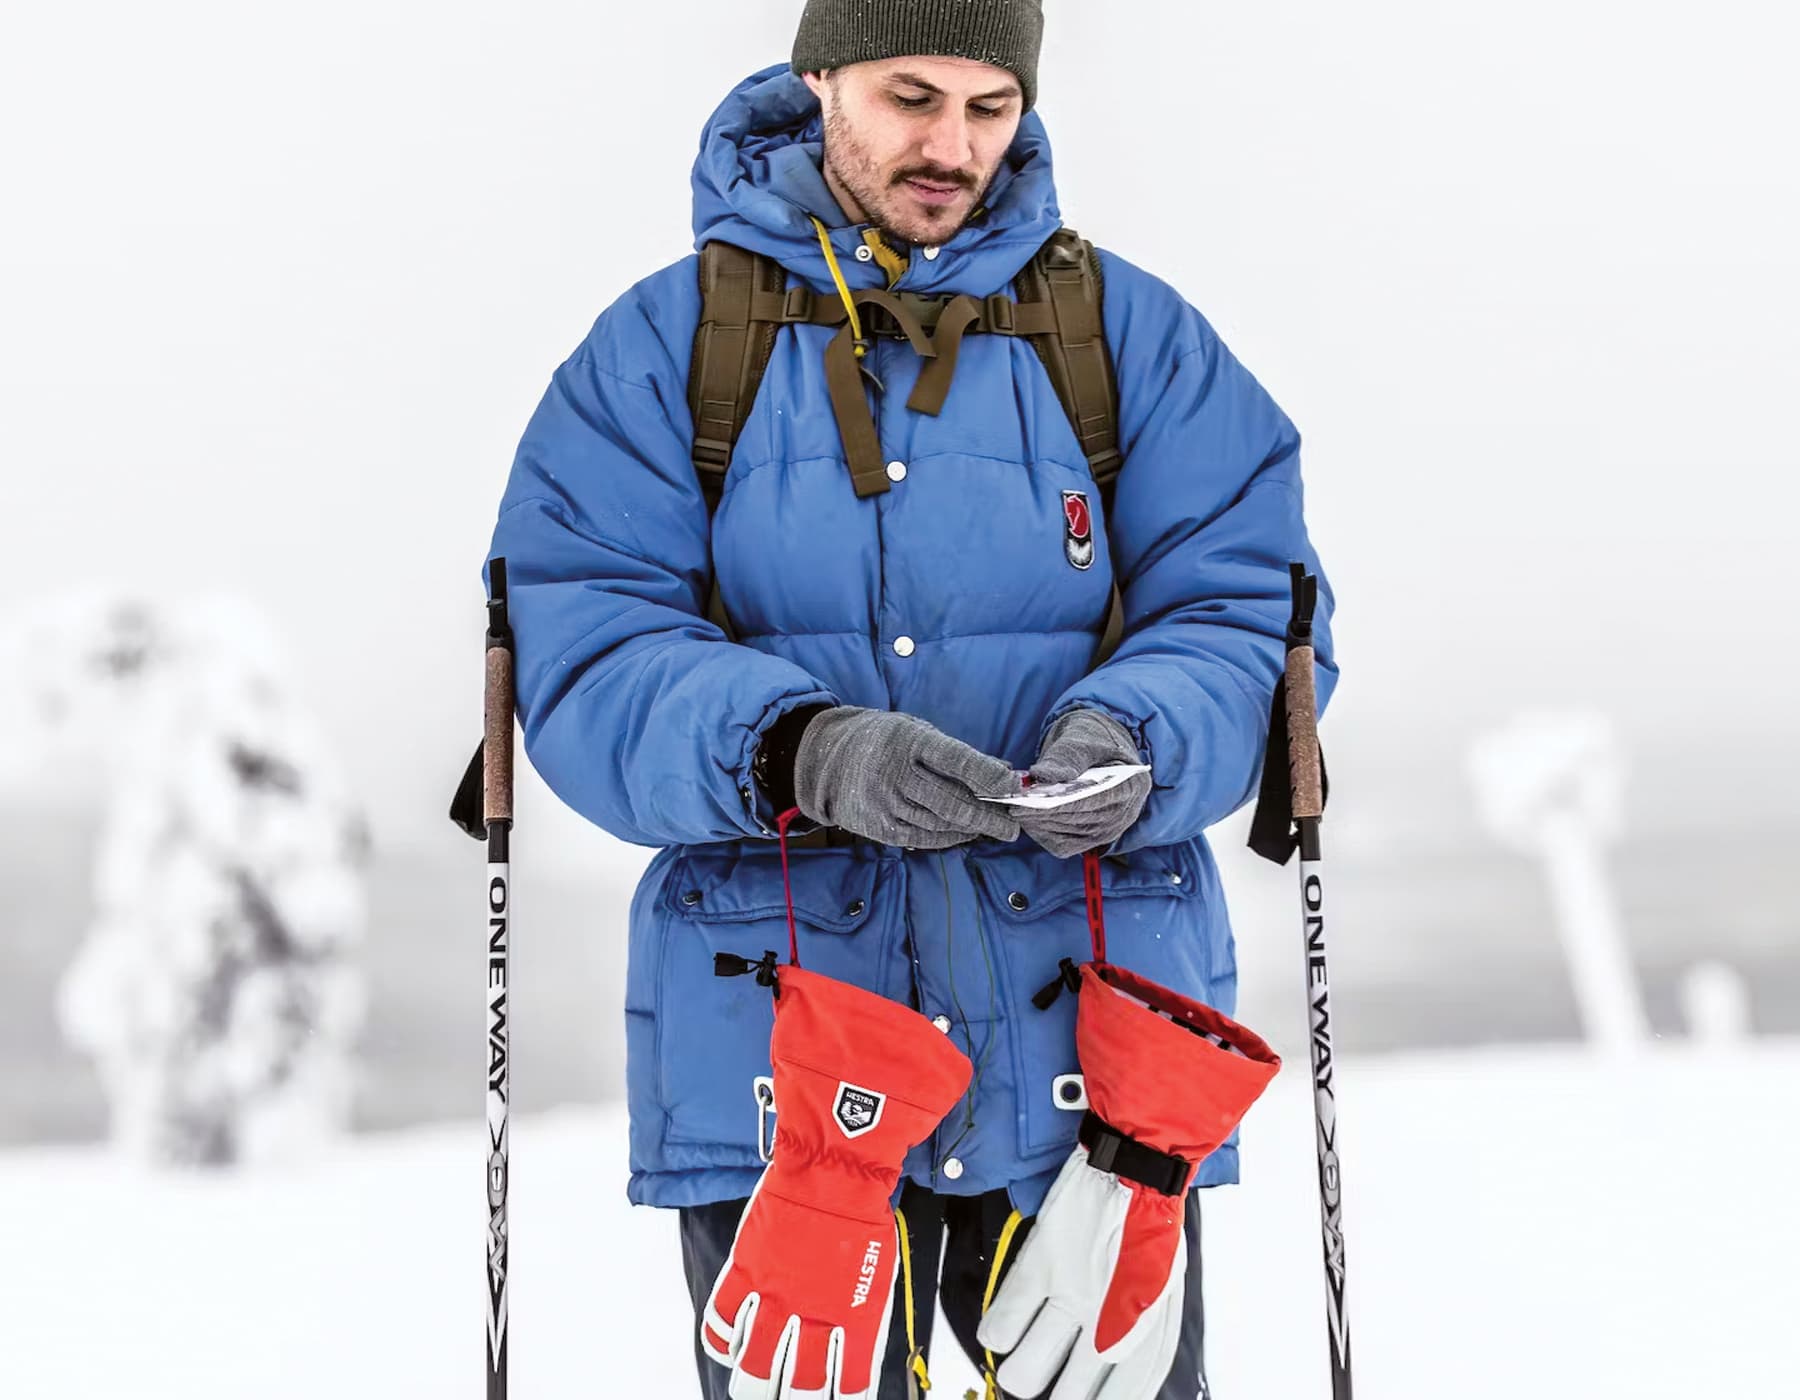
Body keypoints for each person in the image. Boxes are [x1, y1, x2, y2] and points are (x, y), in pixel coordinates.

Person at [483, 2, 1338, 1395]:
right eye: (910, 96)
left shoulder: (1132, 338)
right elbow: (581, 642)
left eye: (990, 108)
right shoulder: (665, 348)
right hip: (789, 1067)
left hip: (1091, 1060)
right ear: (820, 79)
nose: (952, 145)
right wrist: (796, 747)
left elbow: (1255, 611)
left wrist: (1140, 736)